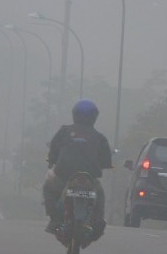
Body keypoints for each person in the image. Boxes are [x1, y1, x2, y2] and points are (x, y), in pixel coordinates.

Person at [43, 99, 112, 234]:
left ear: (74, 114)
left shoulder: (64, 131)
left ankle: (54, 219)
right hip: (90, 177)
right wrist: (105, 165)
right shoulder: (99, 137)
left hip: (63, 174)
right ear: (94, 117)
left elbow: (53, 149)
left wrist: (51, 161)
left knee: (49, 186)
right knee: (100, 194)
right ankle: (98, 220)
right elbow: (106, 160)